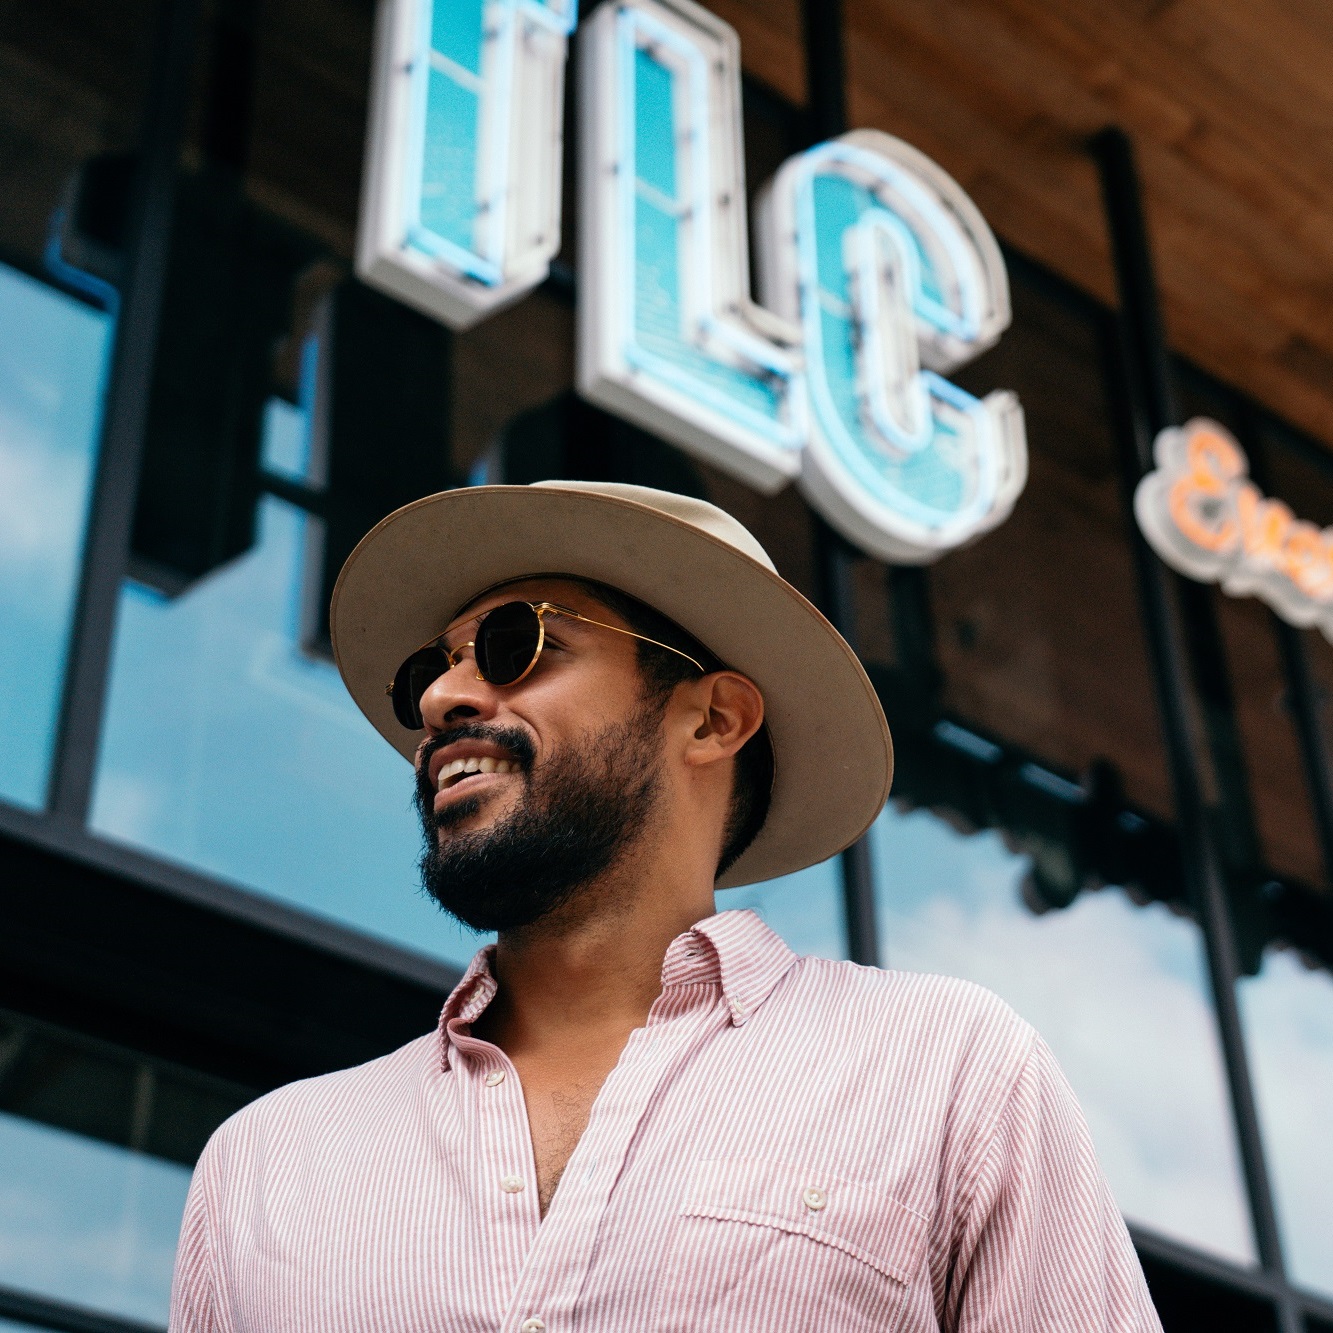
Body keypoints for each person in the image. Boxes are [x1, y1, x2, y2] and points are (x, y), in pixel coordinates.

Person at [168, 480, 1162, 1331]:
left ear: (712, 717)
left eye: (512, 644)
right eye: (431, 669)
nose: (441, 699)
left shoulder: (946, 1071)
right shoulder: (267, 1161)